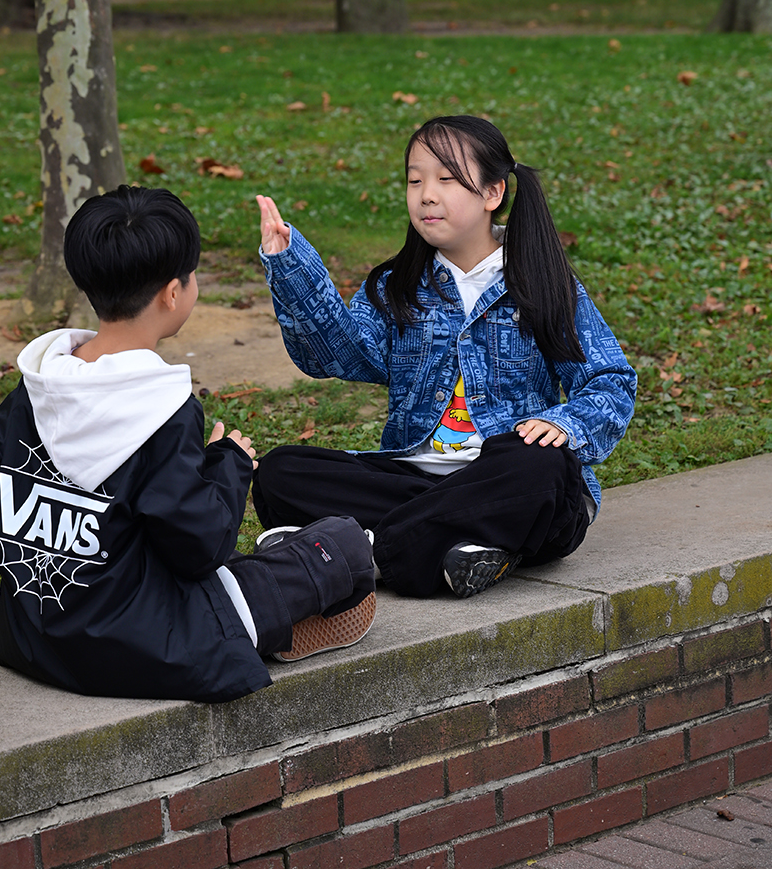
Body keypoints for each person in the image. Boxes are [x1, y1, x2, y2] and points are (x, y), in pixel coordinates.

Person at [0, 186, 375, 704]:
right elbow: (198, 549)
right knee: (345, 542)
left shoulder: (41, 384)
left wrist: (46, 550)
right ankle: (271, 619)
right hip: (151, 650)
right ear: (173, 293)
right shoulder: (160, 409)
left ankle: (269, 599)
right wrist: (228, 465)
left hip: (35, 638)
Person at [254, 115, 636, 601]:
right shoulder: (396, 286)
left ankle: (364, 552)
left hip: (505, 478)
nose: (426, 195)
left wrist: (564, 424)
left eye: (446, 179)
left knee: (544, 468)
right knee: (280, 472)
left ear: (493, 192)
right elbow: (339, 356)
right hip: (415, 481)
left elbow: (610, 379)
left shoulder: (544, 282)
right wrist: (292, 268)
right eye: (415, 181)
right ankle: (461, 545)